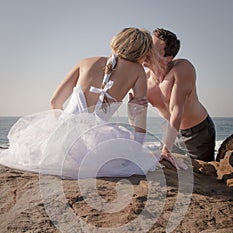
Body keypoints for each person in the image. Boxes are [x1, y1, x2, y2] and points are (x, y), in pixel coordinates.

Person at [0, 27, 159, 178]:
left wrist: (60, 131)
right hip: (96, 145)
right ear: (141, 51)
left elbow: (55, 102)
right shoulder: (138, 72)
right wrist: (136, 149)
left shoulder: (86, 62)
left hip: (62, 136)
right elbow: (140, 114)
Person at [129, 28, 216, 167]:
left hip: (198, 132)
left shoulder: (182, 68)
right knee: (167, 168)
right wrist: (131, 111)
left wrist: (166, 150)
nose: (146, 52)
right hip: (170, 131)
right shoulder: (143, 80)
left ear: (168, 58)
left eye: (153, 49)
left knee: (204, 171)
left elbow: (176, 109)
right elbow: (137, 117)